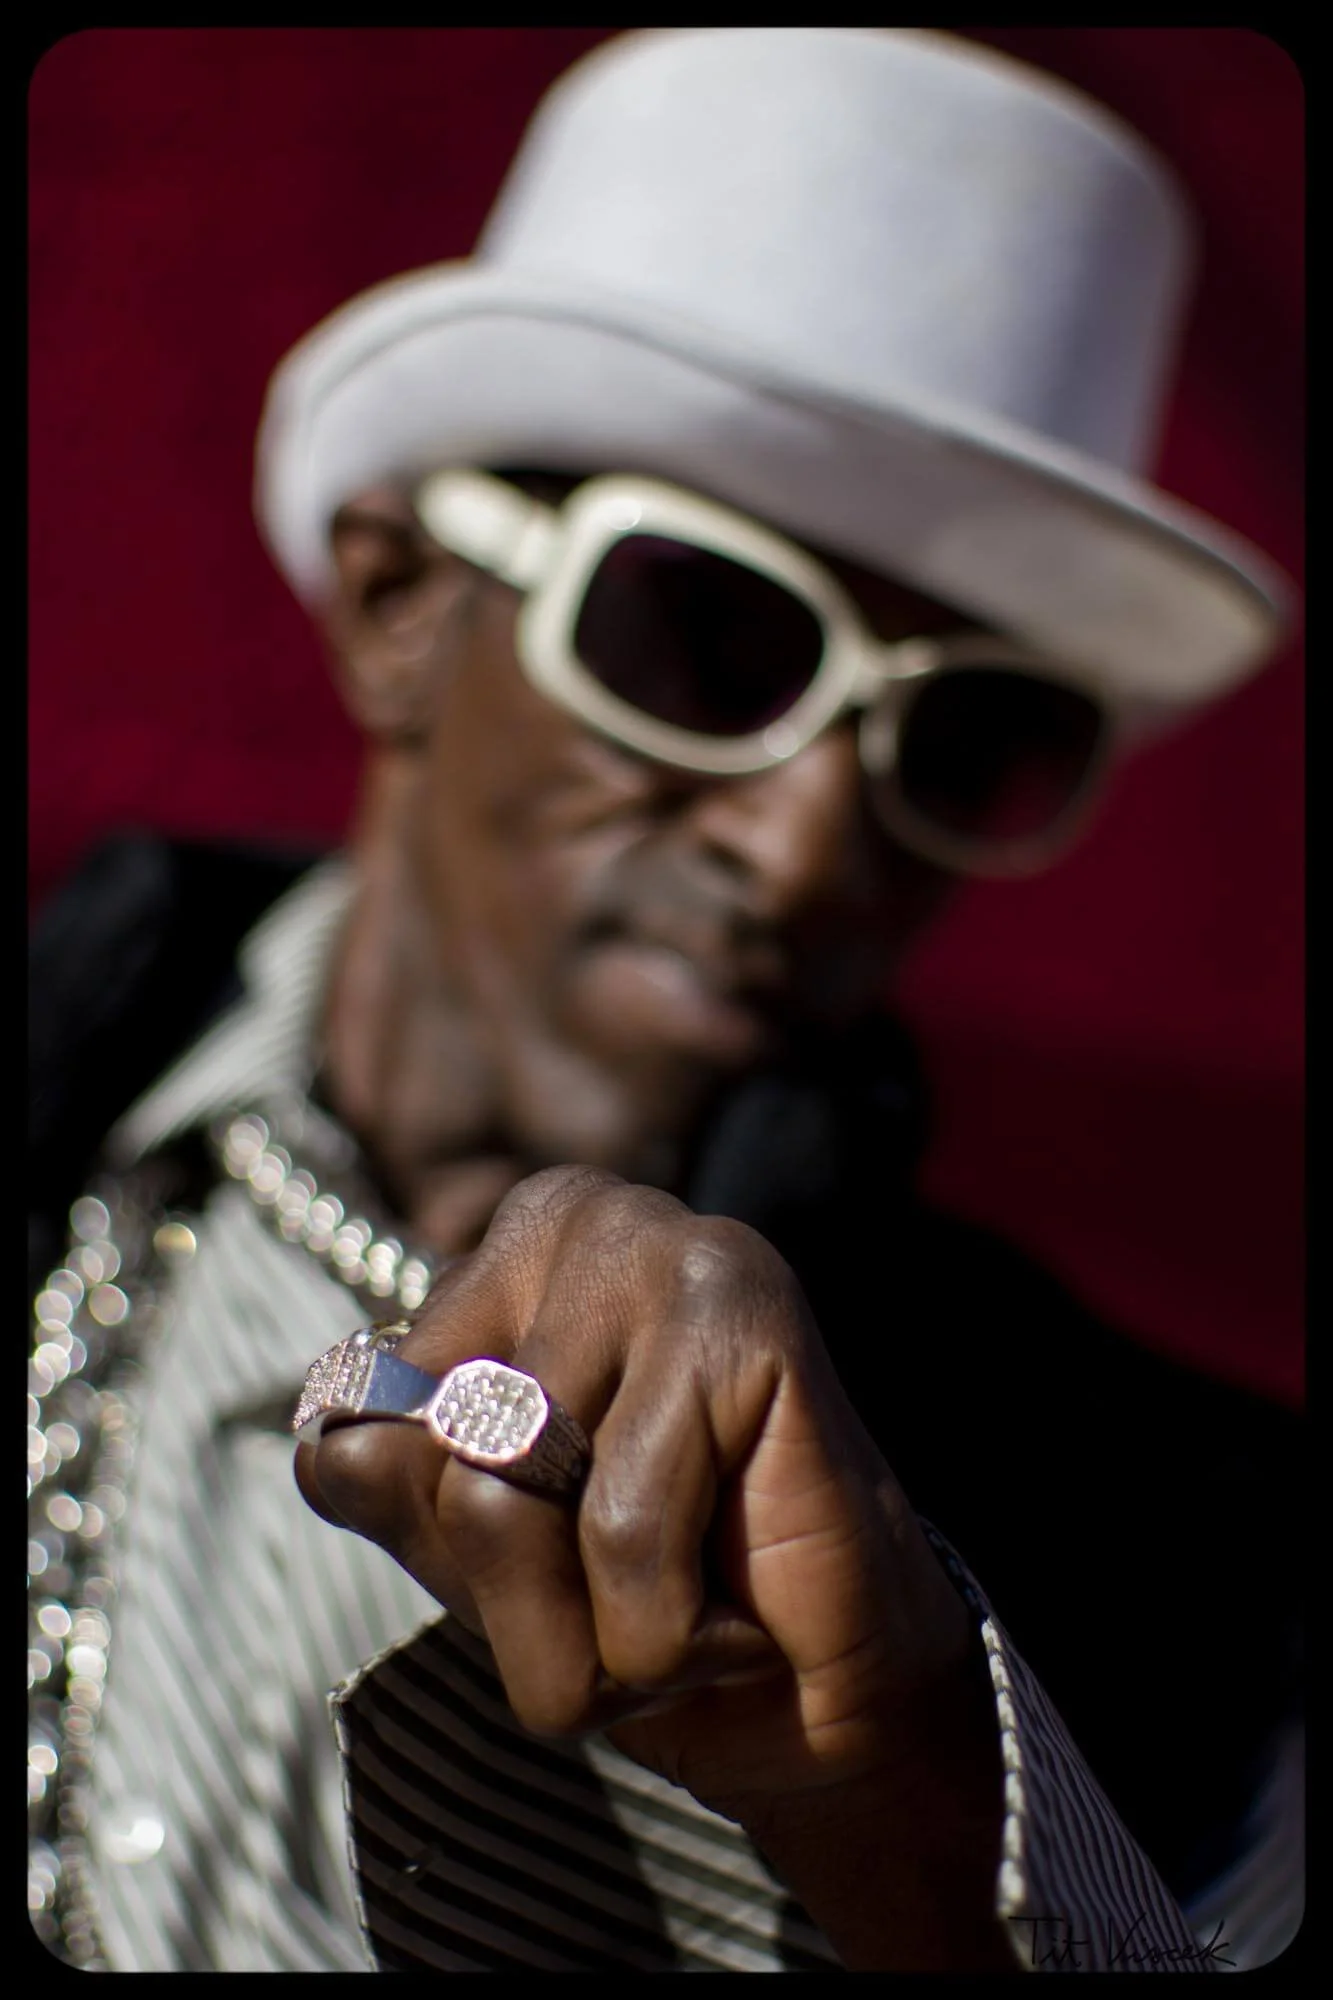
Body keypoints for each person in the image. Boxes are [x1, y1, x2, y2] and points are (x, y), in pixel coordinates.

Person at [28, 27, 1302, 1974]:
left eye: (963, 740)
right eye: (709, 634)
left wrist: (908, 1799)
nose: (807, 848)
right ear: (399, 606)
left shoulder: (1201, 1576)